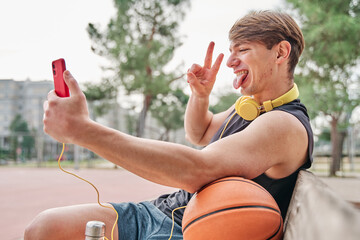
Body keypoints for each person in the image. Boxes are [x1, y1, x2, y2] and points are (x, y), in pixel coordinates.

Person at [25, 10, 313, 240]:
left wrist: (82, 130)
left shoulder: (284, 124)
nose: (231, 62)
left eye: (243, 50)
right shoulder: (250, 107)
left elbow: (197, 169)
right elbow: (199, 133)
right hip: (163, 210)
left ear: (280, 53)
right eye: (231, 50)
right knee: (43, 228)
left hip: (195, 228)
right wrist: (200, 96)